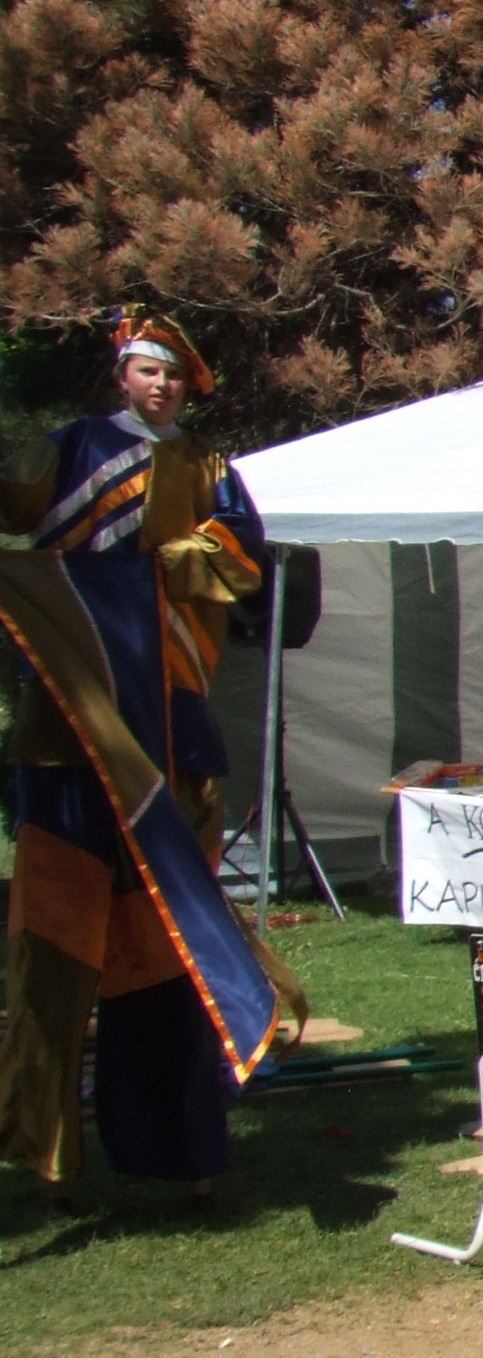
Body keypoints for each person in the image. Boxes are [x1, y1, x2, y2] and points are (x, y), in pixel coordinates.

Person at [0, 314, 267, 1204]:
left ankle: (181, 1151)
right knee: (53, 941)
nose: (162, 385)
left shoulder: (208, 465)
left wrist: (163, 564)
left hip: (170, 730)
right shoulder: (70, 446)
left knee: (169, 943)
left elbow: (243, 559)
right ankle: (42, 1149)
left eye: (175, 375)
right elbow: (14, 504)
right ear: (122, 375)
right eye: (149, 371)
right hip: (68, 728)